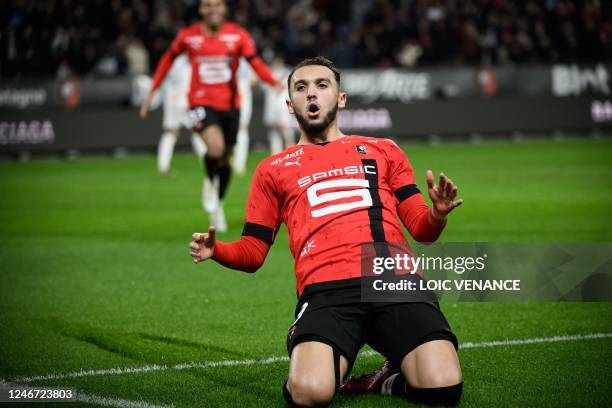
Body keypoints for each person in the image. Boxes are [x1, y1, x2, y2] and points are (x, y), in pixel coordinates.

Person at [189, 56, 464, 407]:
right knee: (309, 393)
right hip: (327, 291)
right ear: (290, 105)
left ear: (341, 98)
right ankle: (322, 352)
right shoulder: (272, 169)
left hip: (393, 279)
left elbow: (421, 229)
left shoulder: (385, 151)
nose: (311, 94)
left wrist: (437, 215)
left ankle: (386, 379)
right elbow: (254, 252)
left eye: (322, 85)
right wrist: (219, 251)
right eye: (301, 88)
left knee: (443, 388)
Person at [140, 0, 281, 231]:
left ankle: (218, 203)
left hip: (231, 106)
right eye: (207, 5)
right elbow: (167, 59)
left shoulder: (237, 35)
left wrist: (273, 83)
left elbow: (255, 62)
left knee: (224, 160)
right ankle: (209, 183)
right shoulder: (188, 36)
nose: (212, 9)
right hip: (200, 104)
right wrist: (152, 91)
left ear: (224, 8)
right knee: (214, 149)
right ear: (200, 9)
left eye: (217, 5)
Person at [155, 54, 207, 176]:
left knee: (171, 131)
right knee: (198, 130)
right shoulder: (188, 62)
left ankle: (163, 167)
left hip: (170, 99)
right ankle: (209, 163)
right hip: (185, 100)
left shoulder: (172, 60)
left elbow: (162, 77)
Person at [263, 54, 295, 154]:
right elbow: (263, 86)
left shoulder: (288, 71)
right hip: (271, 104)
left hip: (283, 104)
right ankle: (275, 153)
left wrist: (282, 86)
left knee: (286, 127)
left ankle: (291, 150)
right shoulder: (268, 72)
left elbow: (294, 85)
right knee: (273, 128)